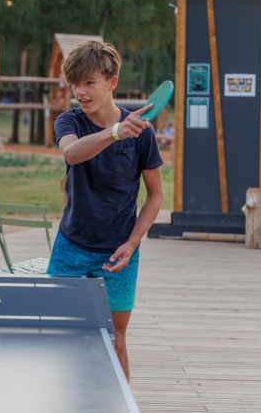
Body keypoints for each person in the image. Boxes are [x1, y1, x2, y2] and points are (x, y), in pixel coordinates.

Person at [47, 40, 164, 381]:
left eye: (89, 82)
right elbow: (71, 154)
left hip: (118, 254)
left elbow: (155, 195)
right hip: (70, 248)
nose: (80, 92)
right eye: (75, 84)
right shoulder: (69, 122)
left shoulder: (142, 132)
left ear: (112, 82)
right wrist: (114, 133)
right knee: (60, 339)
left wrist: (133, 243)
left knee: (115, 342)